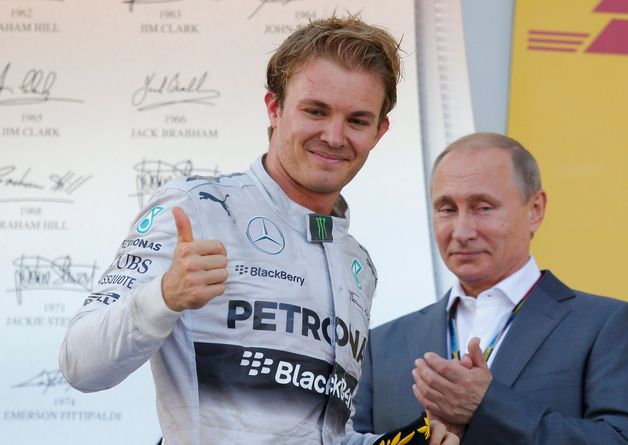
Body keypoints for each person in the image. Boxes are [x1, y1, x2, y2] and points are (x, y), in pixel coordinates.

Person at [59, 15, 457, 445]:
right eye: (315, 111)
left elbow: (318, 436)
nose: (334, 135)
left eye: (357, 121)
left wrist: (409, 440)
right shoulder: (196, 209)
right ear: (274, 107)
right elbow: (80, 365)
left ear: (379, 132)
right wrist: (165, 295)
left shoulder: (356, 261)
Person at [352, 132, 628, 444]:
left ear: (535, 209)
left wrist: (488, 407)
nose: (462, 231)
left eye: (483, 207)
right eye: (446, 209)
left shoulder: (606, 325)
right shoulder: (381, 345)